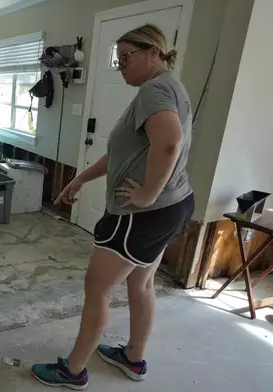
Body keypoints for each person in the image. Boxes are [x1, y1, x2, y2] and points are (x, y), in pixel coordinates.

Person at [32, 24, 195, 389]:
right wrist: (80, 178)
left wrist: (148, 194)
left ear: (153, 52)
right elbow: (124, 152)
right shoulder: (169, 87)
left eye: (126, 58)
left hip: (140, 216)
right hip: (175, 205)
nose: (121, 66)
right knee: (141, 283)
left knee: (98, 290)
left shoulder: (155, 89)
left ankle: (72, 370)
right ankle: (133, 358)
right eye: (117, 59)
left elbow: (170, 143)